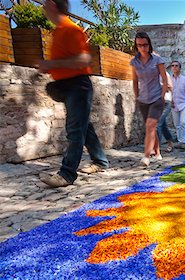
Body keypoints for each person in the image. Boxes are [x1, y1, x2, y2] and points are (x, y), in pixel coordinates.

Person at [38, 0, 109, 187]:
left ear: (53, 4)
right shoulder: (59, 30)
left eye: (45, 3)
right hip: (69, 85)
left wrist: (51, 65)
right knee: (84, 126)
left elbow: (84, 59)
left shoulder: (71, 29)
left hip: (78, 85)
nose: (42, 6)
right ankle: (100, 161)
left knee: (75, 130)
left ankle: (67, 174)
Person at [130, 32, 168, 166]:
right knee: (150, 127)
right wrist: (136, 96)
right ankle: (157, 152)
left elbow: (164, 78)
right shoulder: (134, 62)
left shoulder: (157, 60)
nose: (142, 48)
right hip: (143, 99)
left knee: (150, 125)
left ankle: (146, 156)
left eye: (145, 45)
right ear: (136, 46)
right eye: (139, 45)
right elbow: (134, 81)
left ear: (149, 45)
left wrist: (162, 96)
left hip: (156, 97)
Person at [170, 61, 185, 150]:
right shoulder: (169, 79)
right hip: (173, 105)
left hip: (183, 104)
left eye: (176, 66)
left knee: (183, 122)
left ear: (180, 68)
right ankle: (180, 141)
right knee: (177, 124)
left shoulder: (184, 79)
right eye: (173, 66)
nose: (174, 67)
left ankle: (183, 141)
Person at [157, 71, 174, 153]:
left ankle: (156, 147)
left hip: (166, 102)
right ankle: (170, 142)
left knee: (158, 124)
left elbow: (170, 87)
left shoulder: (165, 74)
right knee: (163, 125)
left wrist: (159, 84)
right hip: (156, 102)